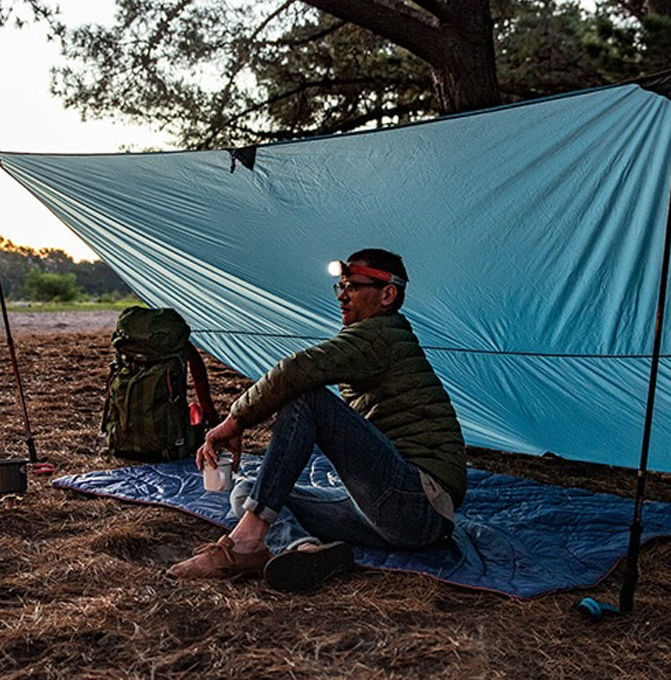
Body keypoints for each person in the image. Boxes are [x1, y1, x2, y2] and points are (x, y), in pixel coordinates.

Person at [167, 248, 467, 589]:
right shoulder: (371, 338)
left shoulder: (383, 336)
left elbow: (295, 371)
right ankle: (302, 550)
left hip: (417, 505)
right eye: (341, 286)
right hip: (378, 514)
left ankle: (245, 544)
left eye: (353, 286)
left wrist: (234, 422)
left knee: (307, 398)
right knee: (250, 490)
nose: (342, 296)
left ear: (387, 294)